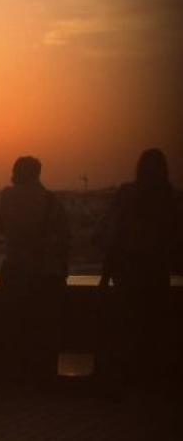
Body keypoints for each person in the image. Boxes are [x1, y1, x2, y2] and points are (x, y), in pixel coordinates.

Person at [94, 148, 177, 393]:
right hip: (155, 273)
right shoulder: (169, 198)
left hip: (128, 273)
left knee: (126, 328)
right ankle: (149, 383)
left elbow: (112, 236)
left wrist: (105, 275)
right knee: (151, 329)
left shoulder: (127, 195)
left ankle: (125, 382)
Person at [0, 156, 69, 383]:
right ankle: (43, 376)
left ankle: (15, 375)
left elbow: (2, 226)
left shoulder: (7, 196)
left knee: (14, 327)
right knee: (42, 328)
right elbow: (63, 239)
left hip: (15, 269)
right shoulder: (50, 201)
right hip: (43, 272)